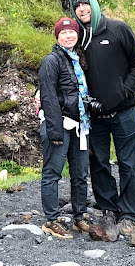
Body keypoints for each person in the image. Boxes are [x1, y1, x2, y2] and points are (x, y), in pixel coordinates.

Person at [68, 0, 135, 242]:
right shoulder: (75, 37)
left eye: (85, 3)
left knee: (128, 164)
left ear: (93, 3)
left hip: (123, 111)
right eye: (77, 5)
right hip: (94, 116)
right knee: (99, 163)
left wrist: (125, 92)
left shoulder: (117, 29)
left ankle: (129, 215)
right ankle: (108, 208)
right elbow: (62, 66)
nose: (82, 8)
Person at [37, 17, 92, 239]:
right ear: (57, 37)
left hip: (80, 124)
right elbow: (48, 96)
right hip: (58, 124)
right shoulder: (51, 60)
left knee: (80, 174)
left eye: (72, 32)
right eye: (63, 33)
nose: (69, 36)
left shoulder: (78, 60)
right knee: (52, 173)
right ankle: (51, 219)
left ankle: (79, 216)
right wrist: (55, 130)